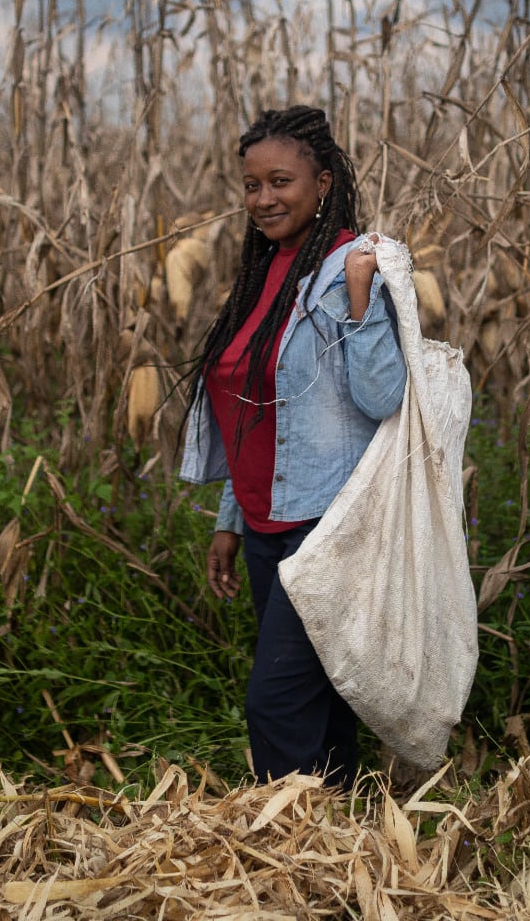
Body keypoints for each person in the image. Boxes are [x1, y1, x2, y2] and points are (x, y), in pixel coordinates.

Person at [178, 105, 407, 790]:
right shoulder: (261, 271)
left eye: (281, 181)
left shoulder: (350, 267)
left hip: (326, 525)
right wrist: (230, 520)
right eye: (251, 185)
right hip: (263, 524)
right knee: (318, 695)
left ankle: (286, 849)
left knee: (274, 699)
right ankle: (338, 839)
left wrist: (364, 304)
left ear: (325, 182)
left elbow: (383, 399)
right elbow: (254, 412)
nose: (263, 199)